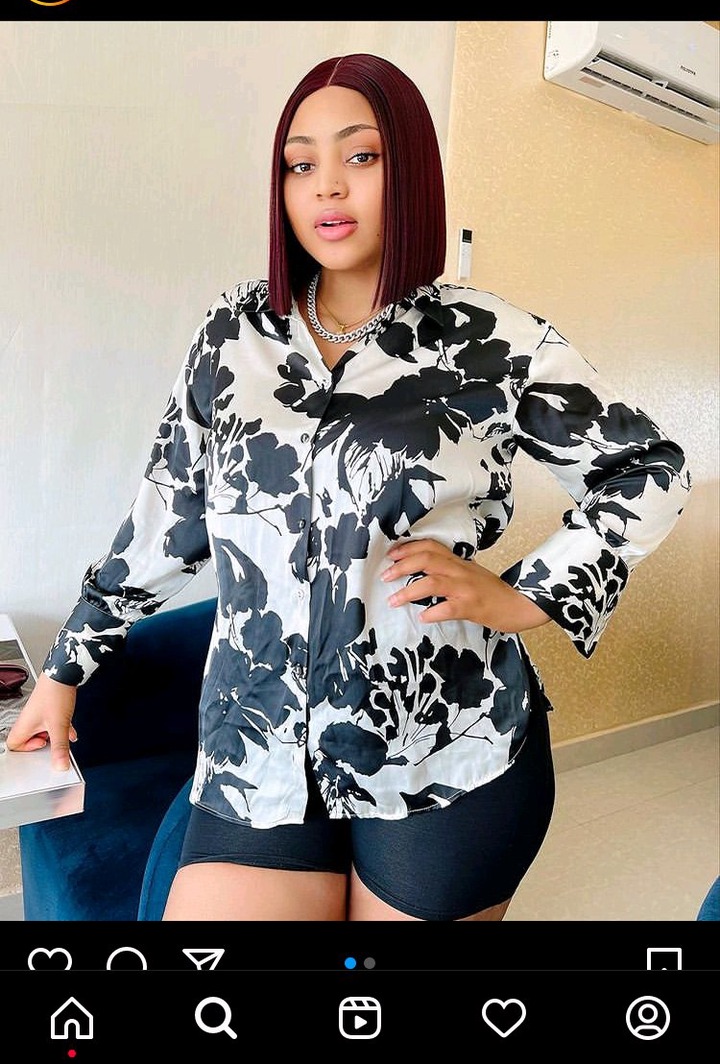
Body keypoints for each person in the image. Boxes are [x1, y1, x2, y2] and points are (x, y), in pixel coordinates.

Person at [8, 53, 691, 922]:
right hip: (257, 743)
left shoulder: (492, 341)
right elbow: (165, 520)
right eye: (300, 165)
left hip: (444, 743)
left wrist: (528, 594)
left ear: (412, 173)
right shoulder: (232, 334)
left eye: (361, 156)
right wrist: (64, 671)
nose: (326, 186)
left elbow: (649, 467)